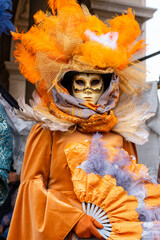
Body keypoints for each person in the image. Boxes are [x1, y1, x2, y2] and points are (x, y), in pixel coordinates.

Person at [7, 1, 160, 239]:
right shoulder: (47, 129)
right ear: (68, 84)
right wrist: (71, 218)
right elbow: (31, 188)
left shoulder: (120, 133)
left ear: (107, 86)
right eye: (80, 82)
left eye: (95, 82)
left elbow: (133, 190)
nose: (87, 90)